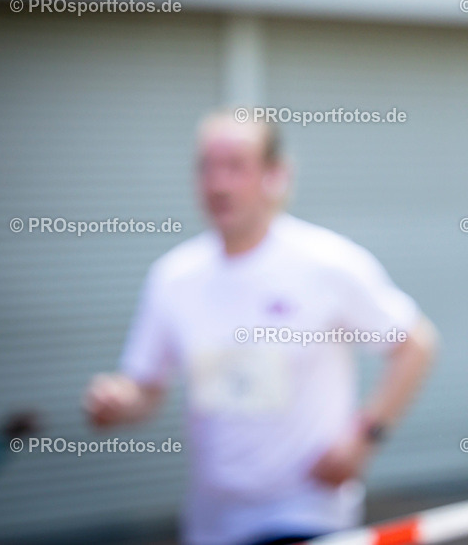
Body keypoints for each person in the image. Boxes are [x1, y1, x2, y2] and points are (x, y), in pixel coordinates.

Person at [83, 110, 438, 545]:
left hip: (306, 513)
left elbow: (415, 345)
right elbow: (146, 388)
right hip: (212, 522)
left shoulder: (326, 263)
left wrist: (363, 439)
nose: (218, 184)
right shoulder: (174, 277)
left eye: (236, 166)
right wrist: (117, 402)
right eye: (207, 168)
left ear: (276, 175)